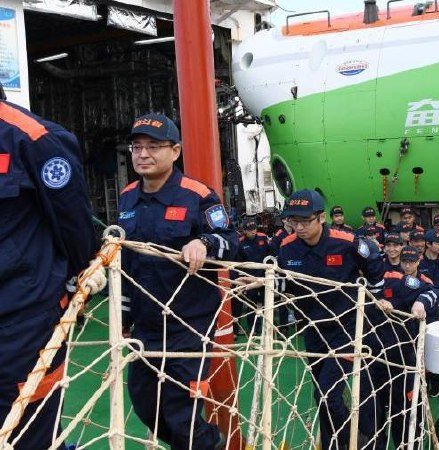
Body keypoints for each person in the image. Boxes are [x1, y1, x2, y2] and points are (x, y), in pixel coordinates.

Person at [118, 113, 239, 449]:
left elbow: (230, 239)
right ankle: (207, 442)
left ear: (175, 151)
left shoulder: (197, 195)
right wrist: (124, 317)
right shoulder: (128, 197)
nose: (143, 154)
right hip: (146, 325)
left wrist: (205, 243)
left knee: (179, 410)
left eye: (154, 147)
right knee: (144, 401)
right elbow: (127, 261)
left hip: (189, 324)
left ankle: (204, 442)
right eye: (137, 147)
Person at [0, 85, 100, 449]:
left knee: (29, 432)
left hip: (23, 322)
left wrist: (79, 276)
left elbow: (73, 222)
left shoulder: (33, 138)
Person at [276, 189, 385, 449]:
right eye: (294, 221)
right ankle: (330, 443)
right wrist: (261, 284)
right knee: (322, 395)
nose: (299, 227)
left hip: (346, 328)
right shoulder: (286, 247)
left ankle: (357, 440)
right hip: (313, 330)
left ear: (321, 217)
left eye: (305, 221)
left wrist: (377, 296)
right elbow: (282, 281)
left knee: (327, 392)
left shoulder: (346, 241)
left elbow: (374, 264)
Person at [372, 246, 439, 448]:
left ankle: (410, 442)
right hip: (382, 347)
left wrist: (421, 302)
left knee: (408, 400)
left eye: (411, 261)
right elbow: (372, 290)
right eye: (404, 261)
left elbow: (435, 292)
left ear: (419, 261)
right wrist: (380, 300)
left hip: (408, 349)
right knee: (378, 401)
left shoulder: (423, 283)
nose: (408, 265)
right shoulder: (389, 276)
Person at [234, 218, 270, 333]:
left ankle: (269, 327)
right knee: (251, 304)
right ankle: (253, 328)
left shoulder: (263, 238)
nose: (253, 231)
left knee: (268, 302)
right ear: (244, 231)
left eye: (254, 228)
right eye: (250, 230)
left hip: (265, 276)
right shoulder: (240, 243)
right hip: (250, 277)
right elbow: (239, 263)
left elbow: (270, 255)